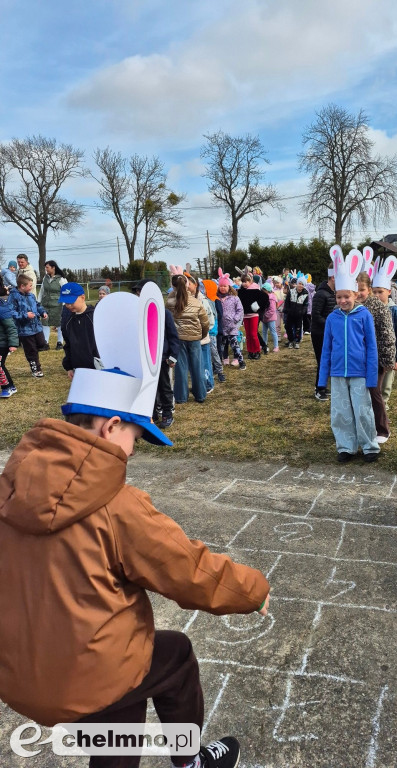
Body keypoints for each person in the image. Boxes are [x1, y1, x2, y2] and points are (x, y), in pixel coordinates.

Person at [0, 282, 270, 768]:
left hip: (21, 672)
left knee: (120, 697)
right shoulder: (115, 504)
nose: (131, 450)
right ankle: (189, 761)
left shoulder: (10, 483)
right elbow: (187, 569)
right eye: (133, 437)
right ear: (108, 427)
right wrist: (251, 590)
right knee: (175, 657)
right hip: (83, 671)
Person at [318, 245, 379, 464]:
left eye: (347, 296)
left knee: (363, 411)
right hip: (337, 372)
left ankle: (370, 445)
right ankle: (346, 446)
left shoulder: (364, 316)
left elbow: (372, 347)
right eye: (339, 296)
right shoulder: (333, 319)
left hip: (359, 372)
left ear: (355, 294)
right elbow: (326, 349)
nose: (343, 300)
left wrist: (371, 376)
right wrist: (322, 379)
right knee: (340, 413)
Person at [132, 279, 180, 430]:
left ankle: (167, 412)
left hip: (162, 358)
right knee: (146, 387)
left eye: (141, 292)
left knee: (164, 386)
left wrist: (173, 356)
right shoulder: (136, 313)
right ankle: (151, 413)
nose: (139, 295)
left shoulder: (164, 313)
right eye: (137, 293)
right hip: (143, 359)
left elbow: (173, 337)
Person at [356, 269, 396, 444]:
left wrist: (386, 360)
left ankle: (382, 428)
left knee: (374, 392)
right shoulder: (351, 306)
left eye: (362, 290)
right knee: (359, 394)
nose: (359, 293)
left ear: (369, 289)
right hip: (356, 359)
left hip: (376, 358)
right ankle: (363, 426)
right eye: (355, 289)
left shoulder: (378, 307)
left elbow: (388, 335)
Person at [166, 273, 209, 405]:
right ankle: (200, 394)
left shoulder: (169, 303)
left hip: (178, 339)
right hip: (195, 338)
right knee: (197, 367)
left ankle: (181, 396)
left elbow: (167, 322)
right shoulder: (196, 302)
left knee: (181, 369)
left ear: (173, 286)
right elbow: (205, 322)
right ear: (187, 285)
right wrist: (201, 335)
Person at [372, 267, 397, 408]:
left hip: (389, 356)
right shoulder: (369, 310)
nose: (377, 295)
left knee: (385, 385)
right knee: (374, 385)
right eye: (374, 292)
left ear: (389, 292)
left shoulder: (395, 311)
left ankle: (383, 407)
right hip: (373, 355)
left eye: (380, 292)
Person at [6, 273, 48, 377]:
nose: (31, 287)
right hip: (25, 329)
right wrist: (25, 315)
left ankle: (34, 355)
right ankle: (36, 369)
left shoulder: (31, 295)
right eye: (30, 285)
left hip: (36, 327)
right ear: (22, 286)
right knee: (31, 350)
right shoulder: (14, 296)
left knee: (42, 344)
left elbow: (38, 305)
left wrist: (42, 312)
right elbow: (11, 312)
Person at [59, 282, 99, 378]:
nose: (69, 305)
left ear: (82, 297)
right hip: (79, 368)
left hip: (98, 367)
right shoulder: (68, 322)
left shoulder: (96, 317)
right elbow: (68, 345)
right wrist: (69, 367)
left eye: (71, 302)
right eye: (66, 303)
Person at [311, 268, 336, 401]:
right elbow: (315, 315)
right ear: (333, 278)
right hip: (319, 333)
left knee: (328, 360)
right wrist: (330, 324)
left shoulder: (333, 293)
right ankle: (318, 389)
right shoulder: (321, 294)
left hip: (329, 333)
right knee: (322, 360)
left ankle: (323, 386)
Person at [217, 271, 246, 370]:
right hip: (221, 326)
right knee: (222, 344)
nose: (223, 288)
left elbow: (240, 309)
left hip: (232, 326)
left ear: (229, 286)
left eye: (225, 286)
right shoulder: (217, 298)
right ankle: (224, 358)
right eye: (221, 286)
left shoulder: (234, 298)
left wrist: (235, 320)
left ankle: (241, 362)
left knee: (234, 345)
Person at [237, 272, 268, 360]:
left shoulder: (256, 290)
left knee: (253, 334)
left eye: (246, 281)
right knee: (248, 334)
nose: (244, 283)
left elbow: (265, 298)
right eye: (243, 281)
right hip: (245, 315)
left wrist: (257, 306)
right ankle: (250, 351)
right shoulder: (241, 291)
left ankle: (257, 350)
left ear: (250, 281)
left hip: (254, 315)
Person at [38, 259, 68, 350]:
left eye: (47, 267)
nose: (46, 269)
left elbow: (65, 292)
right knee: (45, 323)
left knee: (59, 323)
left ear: (53, 267)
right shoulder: (45, 278)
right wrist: (38, 302)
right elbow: (42, 290)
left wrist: (64, 304)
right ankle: (45, 343)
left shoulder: (61, 279)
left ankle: (59, 343)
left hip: (57, 305)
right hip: (45, 304)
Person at [0, 285, 19, 397]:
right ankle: (11, 386)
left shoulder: (2, 309)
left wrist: (13, 343)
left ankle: (6, 387)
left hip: (2, 343)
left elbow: (11, 327)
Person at [284, 275, 309, 349]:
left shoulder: (305, 294)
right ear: (297, 283)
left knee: (298, 329)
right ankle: (291, 341)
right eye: (299, 283)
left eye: (302, 284)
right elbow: (287, 302)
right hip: (290, 314)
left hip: (299, 315)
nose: (300, 285)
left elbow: (305, 305)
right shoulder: (291, 291)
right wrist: (288, 310)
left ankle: (297, 341)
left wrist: (302, 312)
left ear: (304, 286)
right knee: (288, 327)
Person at [261, 282, 279, 351]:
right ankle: (264, 344)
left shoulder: (271, 298)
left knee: (273, 332)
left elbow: (272, 310)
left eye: (263, 290)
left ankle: (276, 346)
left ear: (267, 290)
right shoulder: (265, 297)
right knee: (264, 332)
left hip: (270, 318)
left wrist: (264, 316)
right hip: (264, 318)